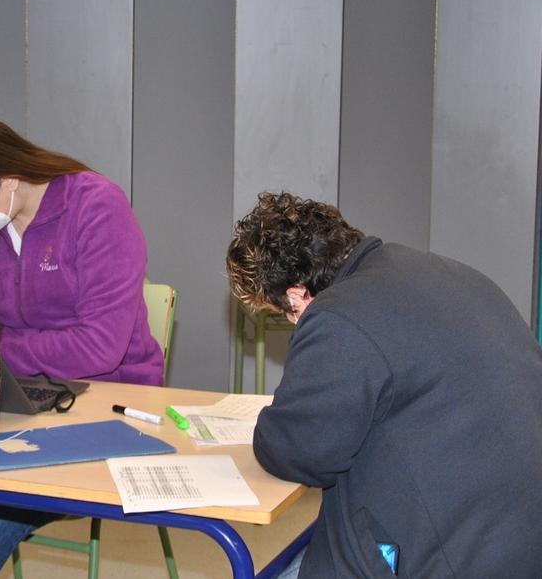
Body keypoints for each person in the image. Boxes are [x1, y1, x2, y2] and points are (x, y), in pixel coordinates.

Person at [226, 192, 542, 578]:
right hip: (513, 539)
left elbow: (301, 451)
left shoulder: (339, 316)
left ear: (296, 296)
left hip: (445, 556)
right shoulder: (447, 272)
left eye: (285, 315)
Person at [0, 115, 164, 578]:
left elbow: (100, 346)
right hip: (21, 394)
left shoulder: (96, 207)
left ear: (9, 179)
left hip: (110, 397)